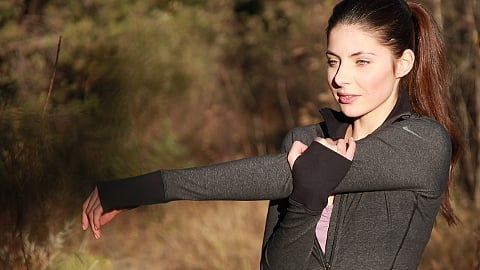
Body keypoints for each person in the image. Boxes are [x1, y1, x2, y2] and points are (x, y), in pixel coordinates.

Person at [82, 0, 462, 269]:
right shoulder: (302, 139)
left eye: (362, 61)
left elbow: (282, 173)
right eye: (333, 61)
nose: (339, 78)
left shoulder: (422, 144)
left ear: (403, 63)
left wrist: (146, 189)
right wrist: (305, 203)